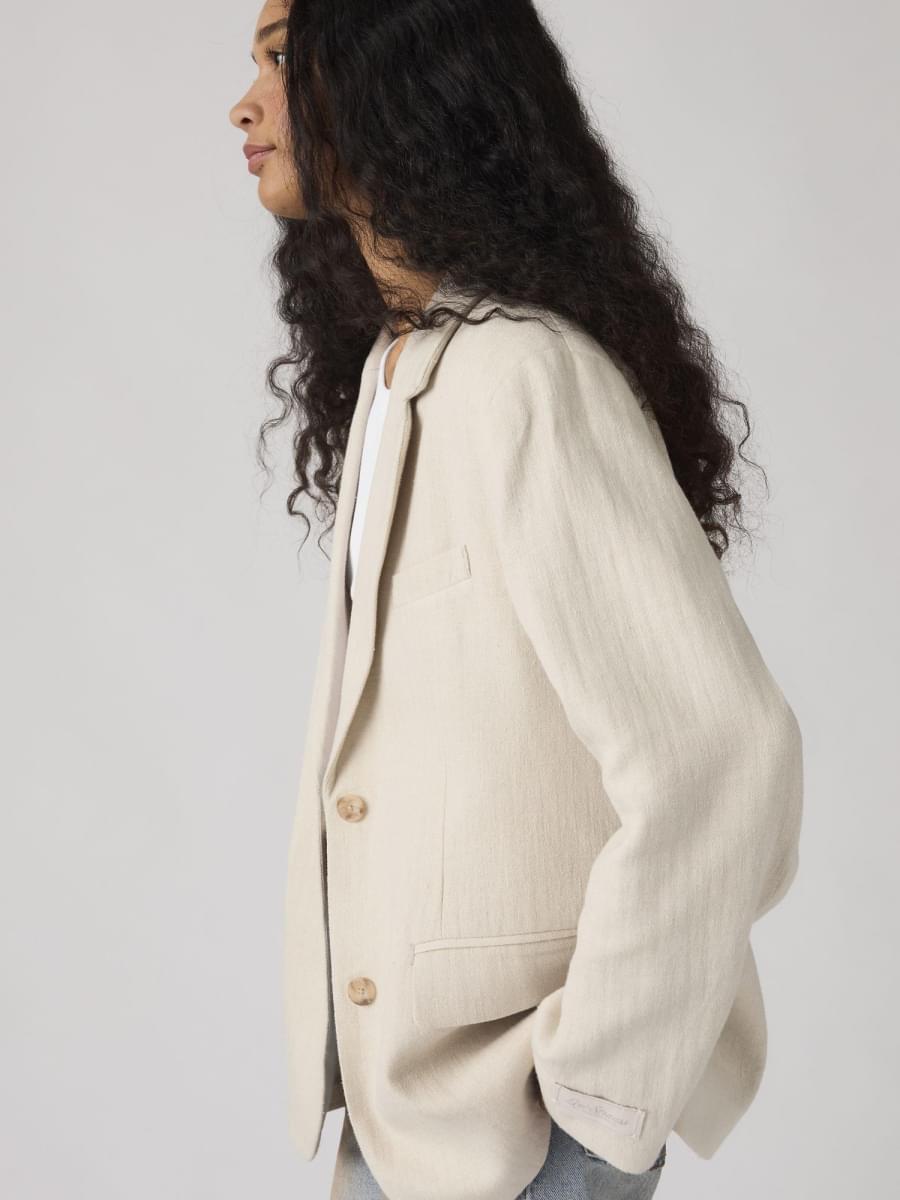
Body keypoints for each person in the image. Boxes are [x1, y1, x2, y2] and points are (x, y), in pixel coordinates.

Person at [228, 3, 804, 1198]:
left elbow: (724, 755)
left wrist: (597, 1105)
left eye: (282, 56)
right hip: (406, 1120)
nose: (245, 104)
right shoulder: (404, 373)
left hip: (526, 1130)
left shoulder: (524, 375)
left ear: (393, 71)